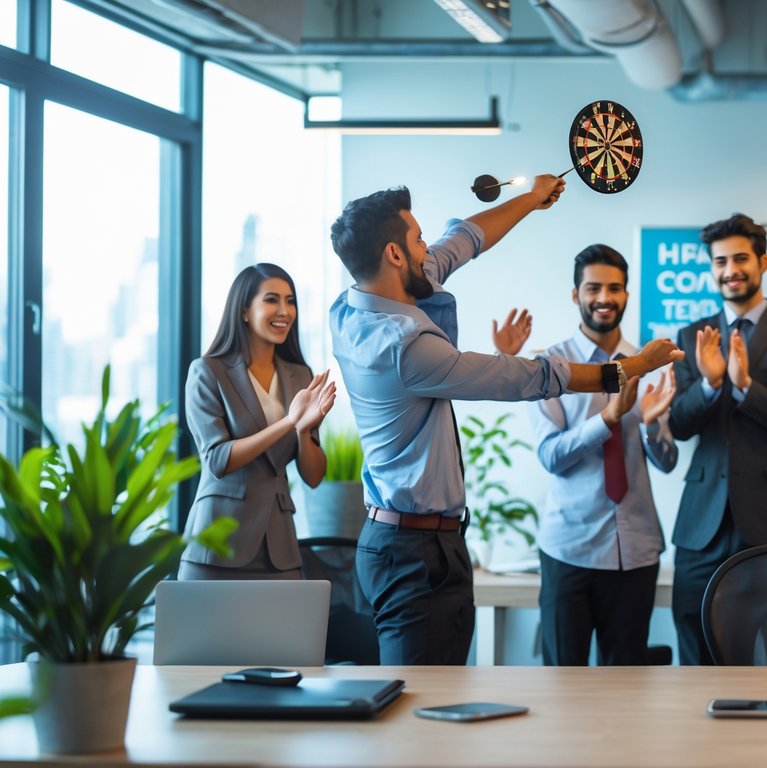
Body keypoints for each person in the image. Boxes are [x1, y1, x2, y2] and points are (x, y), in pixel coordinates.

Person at [328, 178, 682, 665]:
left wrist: (531, 199)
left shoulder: (354, 304)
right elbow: (521, 377)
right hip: (412, 550)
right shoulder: (404, 345)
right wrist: (631, 369)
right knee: (418, 705)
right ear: (393, 254)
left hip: (422, 540)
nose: (426, 247)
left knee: (436, 695)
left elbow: (463, 239)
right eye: (416, 239)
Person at [668, 213, 767, 665]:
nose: (730, 270)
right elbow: (679, 426)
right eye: (720, 261)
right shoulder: (692, 336)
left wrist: (744, 387)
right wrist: (711, 386)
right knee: (695, 643)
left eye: (740, 258)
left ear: (763, 262)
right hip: (701, 526)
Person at [528, 244, 677, 666]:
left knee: (627, 684)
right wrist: (609, 417)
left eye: (615, 288)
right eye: (593, 288)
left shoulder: (651, 364)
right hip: (569, 548)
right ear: (575, 294)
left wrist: (650, 424)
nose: (604, 298)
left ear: (627, 295)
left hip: (636, 548)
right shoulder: (550, 366)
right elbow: (550, 456)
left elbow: (667, 462)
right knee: (563, 681)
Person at [180, 263, 337, 580]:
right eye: (271, 300)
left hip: (279, 547)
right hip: (217, 544)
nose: (284, 311)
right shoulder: (208, 372)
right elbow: (217, 460)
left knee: (283, 632)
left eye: (290, 300)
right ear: (244, 312)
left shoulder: (300, 376)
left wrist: (304, 430)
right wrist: (288, 422)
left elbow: (314, 476)